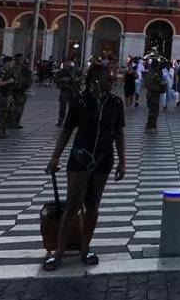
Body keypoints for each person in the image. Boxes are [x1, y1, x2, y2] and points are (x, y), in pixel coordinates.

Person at [43, 63, 125, 271]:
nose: (112, 82)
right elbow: (67, 130)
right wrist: (55, 157)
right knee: (73, 205)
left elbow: (119, 133)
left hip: (104, 158)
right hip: (80, 157)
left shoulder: (115, 103)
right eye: (108, 79)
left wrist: (123, 161)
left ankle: (85, 248)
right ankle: (58, 253)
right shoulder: (80, 102)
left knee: (93, 206)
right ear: (96, 80)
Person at [0, 56, 17, 139]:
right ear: (7, 62)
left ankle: (3, 131)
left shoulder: (10, 71)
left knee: (9, 113)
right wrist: (8, 82)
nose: (13, 63)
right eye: (12, 61)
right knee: (2, 113)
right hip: (3, 94)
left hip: (10, 94)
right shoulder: (0, 71)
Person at [8, 54, 33, 129]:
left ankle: (14, 122)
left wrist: (25, 85)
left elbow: (29, 79)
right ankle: (13, 122)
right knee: (16, 108)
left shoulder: (21, 68)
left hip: (18, 91)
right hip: (14, 91)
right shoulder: (12, 68)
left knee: (16, 108)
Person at [54, 59, 82, 124]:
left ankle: (71, 120)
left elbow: (82, 76)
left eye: (68, 62)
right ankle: (61, 119)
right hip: (64, 90)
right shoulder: (61, 71)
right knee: (62, 106)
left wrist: (77, 80)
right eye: (65, 63)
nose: (66, 64)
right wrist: (62, 79)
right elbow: (55, 80)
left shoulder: (74, 70)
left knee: (72, 107)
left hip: (73, 90)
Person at [142, 58, 166, 131]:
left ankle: (152, 124)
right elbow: (160, 83)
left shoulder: (149, 72)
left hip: (149, 93)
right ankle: (150, 125)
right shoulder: (156, 74)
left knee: (151, 109)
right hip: (155, 94)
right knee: (154, 110)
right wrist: (164, 85)